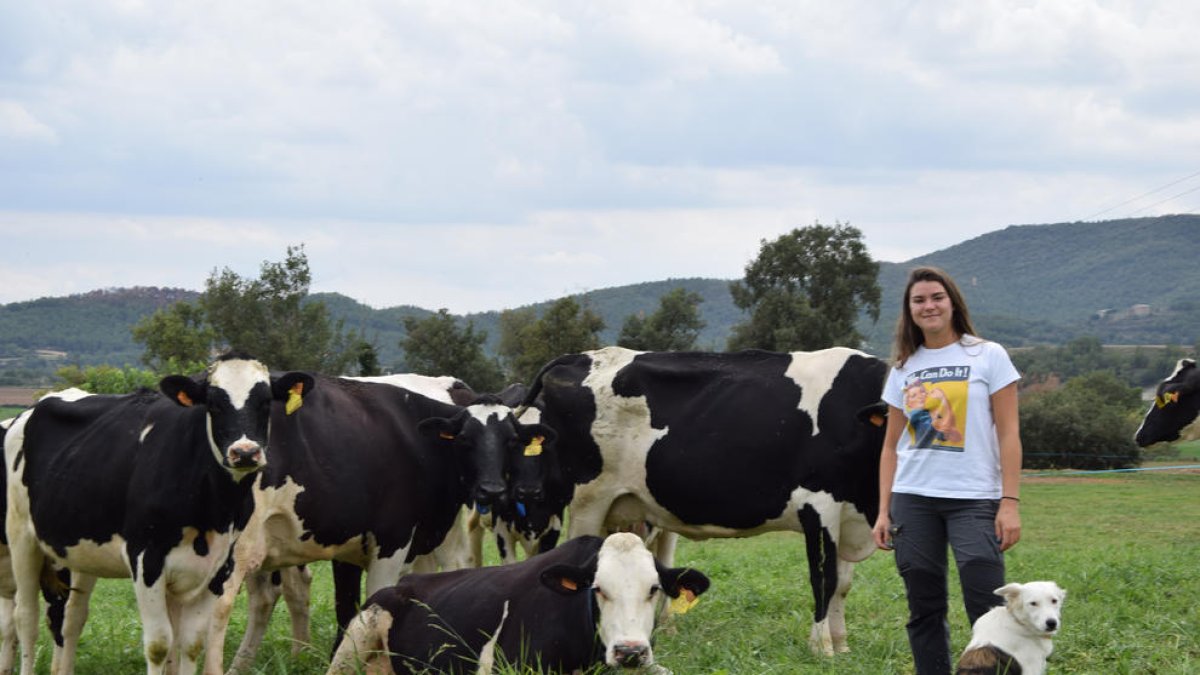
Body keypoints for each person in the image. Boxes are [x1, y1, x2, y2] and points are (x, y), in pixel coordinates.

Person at [871, 266, 1023, 675]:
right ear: (909, 310)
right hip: (913, 499)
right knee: (924, 606)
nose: (929, 306)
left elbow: (1009, 434)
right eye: (918, 300)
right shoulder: (903, 366)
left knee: (987, 606)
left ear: (952, 302)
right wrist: (884, 511)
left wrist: (1009, 502)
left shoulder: (987, 355)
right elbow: (890, 447)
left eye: (936, 297)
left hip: (974, 498)